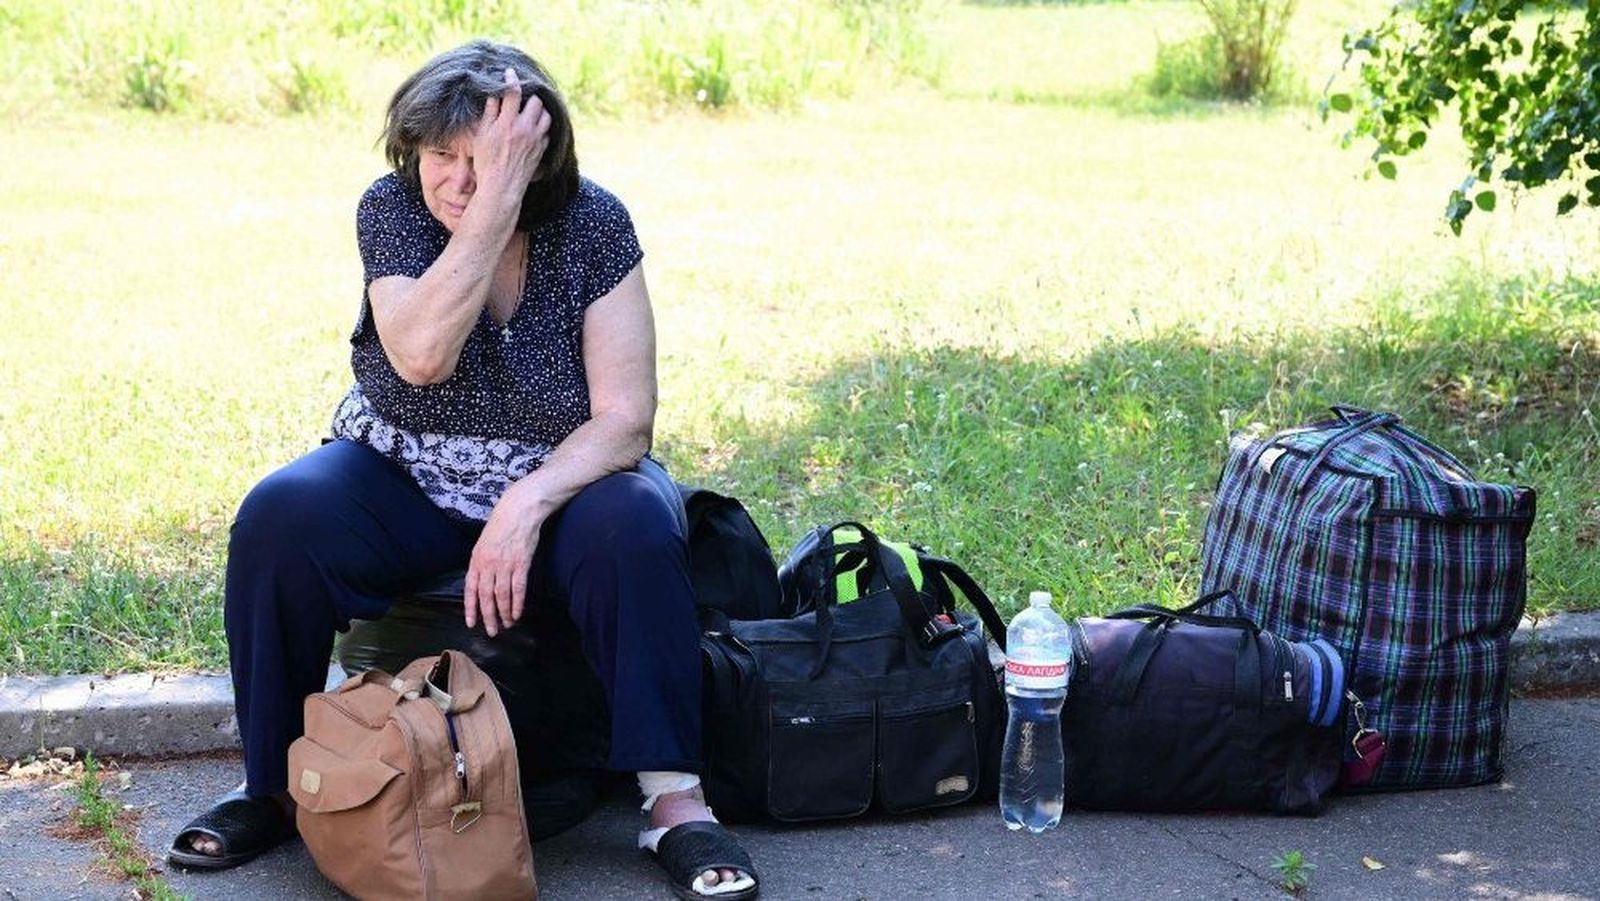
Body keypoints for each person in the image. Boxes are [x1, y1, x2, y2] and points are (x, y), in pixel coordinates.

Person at [167, 39, 758, 900]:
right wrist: (489, 211)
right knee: (280, 516)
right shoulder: (393, 209)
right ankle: (272, 784)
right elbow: (419, 357)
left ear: (535, 156)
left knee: (635, 523)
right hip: (405, 468)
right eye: (440, 155)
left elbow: (625, 418)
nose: (453, 179)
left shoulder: (593, 224)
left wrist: (526, 502)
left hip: (562, 478)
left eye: (483, 160)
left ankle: (674, 800)